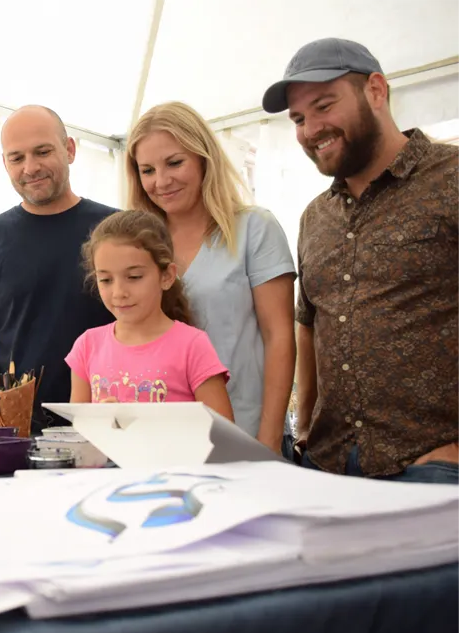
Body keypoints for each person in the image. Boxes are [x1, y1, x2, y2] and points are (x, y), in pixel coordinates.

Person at [262, 37, 459, 482]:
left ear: (375, 90)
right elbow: (309, 325)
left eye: (324, 106)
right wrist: (305, 429)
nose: (311, 129)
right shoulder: (315, 216)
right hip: (327, 465)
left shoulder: (451, 179)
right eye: (298, 118)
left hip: (433, 468)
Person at [125, 101, 296, 450]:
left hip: (244, 431)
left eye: (174, 162)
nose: (161, 181)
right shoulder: (137, 247)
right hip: (161, 440)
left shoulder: (254, 228)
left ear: (204, 158)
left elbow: (279, 337)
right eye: (147, 170)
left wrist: (269, 439)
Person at [0, 105, 119, 434]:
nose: (31, 167)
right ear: (5, 163)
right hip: (22, 428)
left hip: (111, 418)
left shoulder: (116, 230)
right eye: (17, 158)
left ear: (69, 149)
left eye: (43, 152)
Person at [66, 210, 233, 419]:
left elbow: (223, 435)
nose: (119, 293)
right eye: (106, 280)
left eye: (134, 277)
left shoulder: (192, 346)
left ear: (167, 276)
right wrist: (98, 422)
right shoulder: (87, 346)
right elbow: (77, 437)